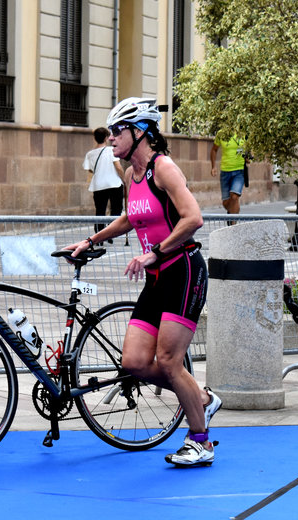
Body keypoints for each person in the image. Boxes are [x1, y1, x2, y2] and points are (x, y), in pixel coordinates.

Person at [63, 98, 222, 467]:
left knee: (168, 360)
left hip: (183, 270)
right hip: (156, 276)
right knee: (134, 362)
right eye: (112, 132)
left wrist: (157, 251)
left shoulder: (162, 168)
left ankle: (201, 441)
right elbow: (129, 217)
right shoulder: (130, 175)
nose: (112, 139)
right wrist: (90, 240)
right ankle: (202, 399)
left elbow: (193, 218)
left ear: (142, 132)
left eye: (118, 131)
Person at [83, 127, 125, 240]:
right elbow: (118, 167)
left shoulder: (90, 154)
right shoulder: (111, 150)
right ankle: (111, 232)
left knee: (100, 210)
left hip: (98, 185)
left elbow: (90, 169)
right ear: (106, 138)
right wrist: (125, 179)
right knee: (116, 209)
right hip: (114, 184)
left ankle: (99, 235)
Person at [210, 135, 246, 214]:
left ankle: (233, 224)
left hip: (239, 170)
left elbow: (250, 148)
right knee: (226, 203)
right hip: (225, 171)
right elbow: (214, 149)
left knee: (234, 196)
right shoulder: (222, 133)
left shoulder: (242, 132)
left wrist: (249, 157)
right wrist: (213, 167)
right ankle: (232, 213)